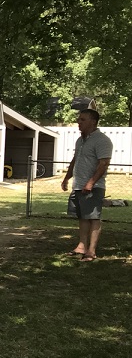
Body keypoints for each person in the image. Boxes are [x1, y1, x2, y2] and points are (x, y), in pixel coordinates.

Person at [61, 108, 113, 261]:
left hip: (93, 187)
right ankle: (81, 246)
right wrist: (67, 178)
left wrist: (90, 183)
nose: (79, 122)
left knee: (93, 217)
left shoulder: (102, 140)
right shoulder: (80, 140)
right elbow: (75, 160)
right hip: (78, 186)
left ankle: (91, 251)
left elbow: (104, 164)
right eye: (79, 119)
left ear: (93, 122)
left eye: (82, 119)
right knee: (83, 217)